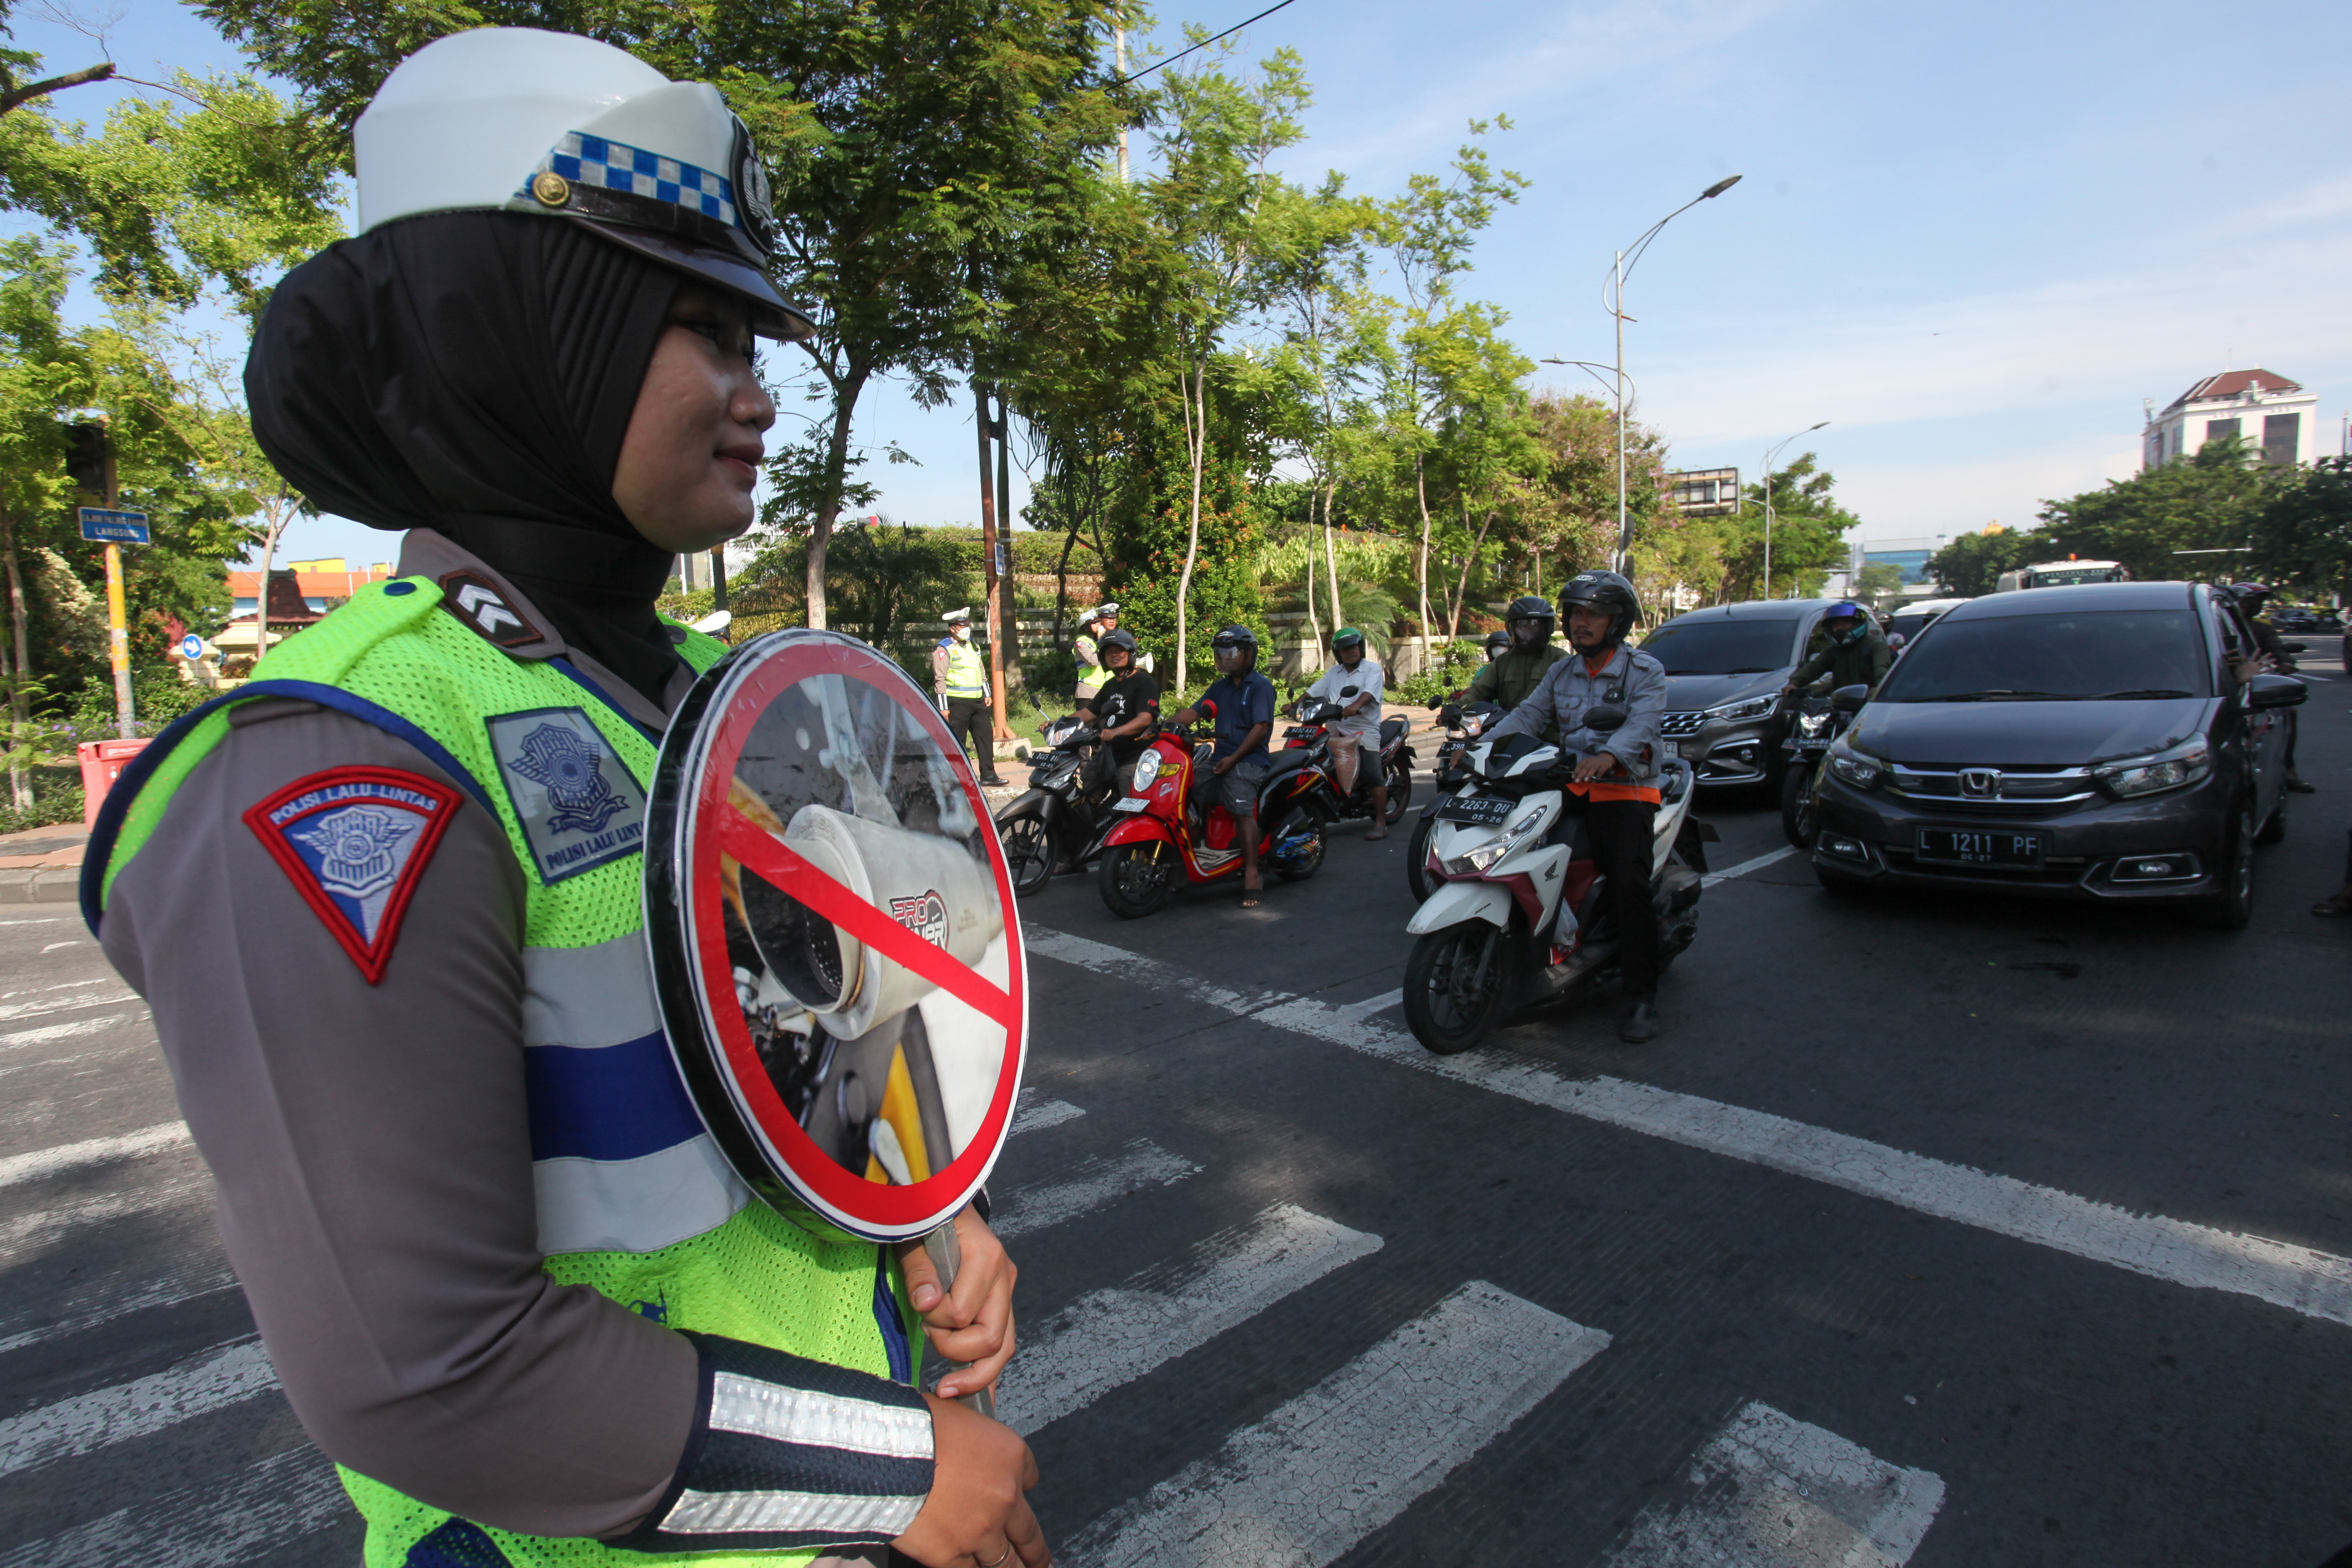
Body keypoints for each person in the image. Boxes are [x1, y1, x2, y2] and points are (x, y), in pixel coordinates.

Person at [81, 29, 1041, 1568]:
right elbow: (427, 1371)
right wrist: (896, 1474)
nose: (759, 397)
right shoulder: (335, 758)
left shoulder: (725, 705)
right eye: (702, 329)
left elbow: (811, 1059)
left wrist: (925, 1208)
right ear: (523, 325)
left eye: (759, 343)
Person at [1485, 570, 1669, 1044]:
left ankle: (1641, 996)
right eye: (1574, 614)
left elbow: (1643, 723)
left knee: (1629, 882)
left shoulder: (1642, 670)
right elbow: (1528, 714)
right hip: (1568, 782)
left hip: (1624, 787)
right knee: (1510, 851)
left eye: (1591, 614)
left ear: (1616, 621)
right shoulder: (1561, 670)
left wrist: (1609, 756)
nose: (1579, 623)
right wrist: (1479, 748)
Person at [1168, 626, 1277, 907]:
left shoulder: (1261, 686)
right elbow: (1193, 712)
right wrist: (1165, 727)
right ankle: (1193, 857)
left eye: (1233, 653)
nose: (1227, 659)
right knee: (1183, 792)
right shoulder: (1219, 687)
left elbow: (1261, 728)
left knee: (1239, 803)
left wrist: (1235, 758)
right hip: (1220, 758)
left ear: (1248, 655)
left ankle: (1252, 872)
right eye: (1222, 653)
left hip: (1250, 761)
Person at [1303, 627, 1389, 839]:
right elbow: (1315, 691)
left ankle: (1381, 822)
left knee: (1372, 774)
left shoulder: (1372, 670)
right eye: (1345, 649)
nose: (1350, 652)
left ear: (1360, 648)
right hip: (1335, 728)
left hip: (1363, 729)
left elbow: (1369, 693)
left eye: (1353, 648)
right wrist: (1295, 704)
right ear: (1338, 653)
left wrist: (1355, 706)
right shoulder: (1334, 673)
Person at [2232, 582, 2312, 793]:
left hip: (2256, 683)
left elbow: (2276, 649)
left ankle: (2289, 771)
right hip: (2225, 686)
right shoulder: (2219, 626)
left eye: (2257, 602)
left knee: (2289, 712)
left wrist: (2286, 664)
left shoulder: (2262, 628)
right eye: (2250, 602)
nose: (2253, 607)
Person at [1072, 627, 1158, 792]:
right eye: (1109, 652)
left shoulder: (1144, 683)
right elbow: (1089, 713)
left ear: (1131, 654)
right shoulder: (1110, 685)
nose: (1114, 655)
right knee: (1088, 777)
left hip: (1135, 755)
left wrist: (1117, 731)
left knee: (1127, 789)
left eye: (1119, 650)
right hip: (1110, 752)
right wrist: (1059, 723)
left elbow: (1145, 718)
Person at [1462, 594, 1568, 716]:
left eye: (1536, 626)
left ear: (1548, 628)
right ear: (1511, 629)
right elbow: (1478, 692)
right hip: (1509, 729)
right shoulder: (1502, 663)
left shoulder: (1560, 660)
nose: (1529, 633)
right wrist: (1457, 708)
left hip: (1547, 731)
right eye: (1523, 626)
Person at [935, 607, 1004, 786]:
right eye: (962, 625)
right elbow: (939, 679)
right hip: (957, 702)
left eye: (968, 624)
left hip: (978, 700)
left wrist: (987, 693)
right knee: (958, 741)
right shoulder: (945, 649)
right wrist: (943, 707)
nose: (967, 628)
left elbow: (980, 669)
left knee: (985, 738)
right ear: (953, 628)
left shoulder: (973, 645)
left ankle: (989, 775)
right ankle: (957, 778)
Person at [1782, 602, 1892, 699]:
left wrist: (1879, 688)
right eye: (1835, 624)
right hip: (1839, 706)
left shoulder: (1876, 646)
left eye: (1844, 623)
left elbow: (1882, 671)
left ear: (1858, 623)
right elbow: (1815, 667)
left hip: (1868, 706)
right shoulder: (1834, 651)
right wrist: (1794, 684)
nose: (1838, 629)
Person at [1071, 602, 1121, 702]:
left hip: (1106, 689)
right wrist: (1101, 642)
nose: (1098, 624)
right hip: (1088, 691)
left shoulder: (1101, 640)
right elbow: (1093, 662)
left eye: (1099, 622)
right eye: (1094, 623)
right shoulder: (1081, 643)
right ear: (1085, 626)